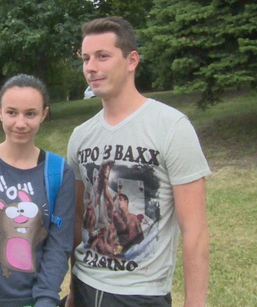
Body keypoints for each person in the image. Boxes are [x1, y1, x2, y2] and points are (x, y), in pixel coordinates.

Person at [65, 17, 211, 306]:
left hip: (141, 295)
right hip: (84, 288)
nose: (91, 67)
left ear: (132, 60)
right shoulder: (80, 136)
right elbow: (79, 223)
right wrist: (72, 290)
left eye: (102, 56)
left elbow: (195, 232)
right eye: (86, 58)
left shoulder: (171, 127)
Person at [0, 74, 76, 307]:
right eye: (12, 113)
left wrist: (45, 301)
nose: (20, 123)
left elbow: (59, 246)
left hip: (36, 301)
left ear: (44, 114)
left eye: (30, 113)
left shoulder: (59, 172)